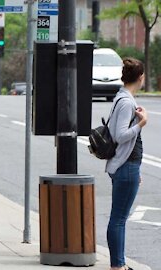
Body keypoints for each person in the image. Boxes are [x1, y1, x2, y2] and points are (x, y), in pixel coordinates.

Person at [106, 58, 147, 270]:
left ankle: (119, 265)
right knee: (119, 219)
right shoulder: (126, 102)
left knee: (119, 218)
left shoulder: (122, 98)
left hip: (127, 166)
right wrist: (141, 123)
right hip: (125, 167)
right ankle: (118, 266)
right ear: (140, 77)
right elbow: (120, 135)